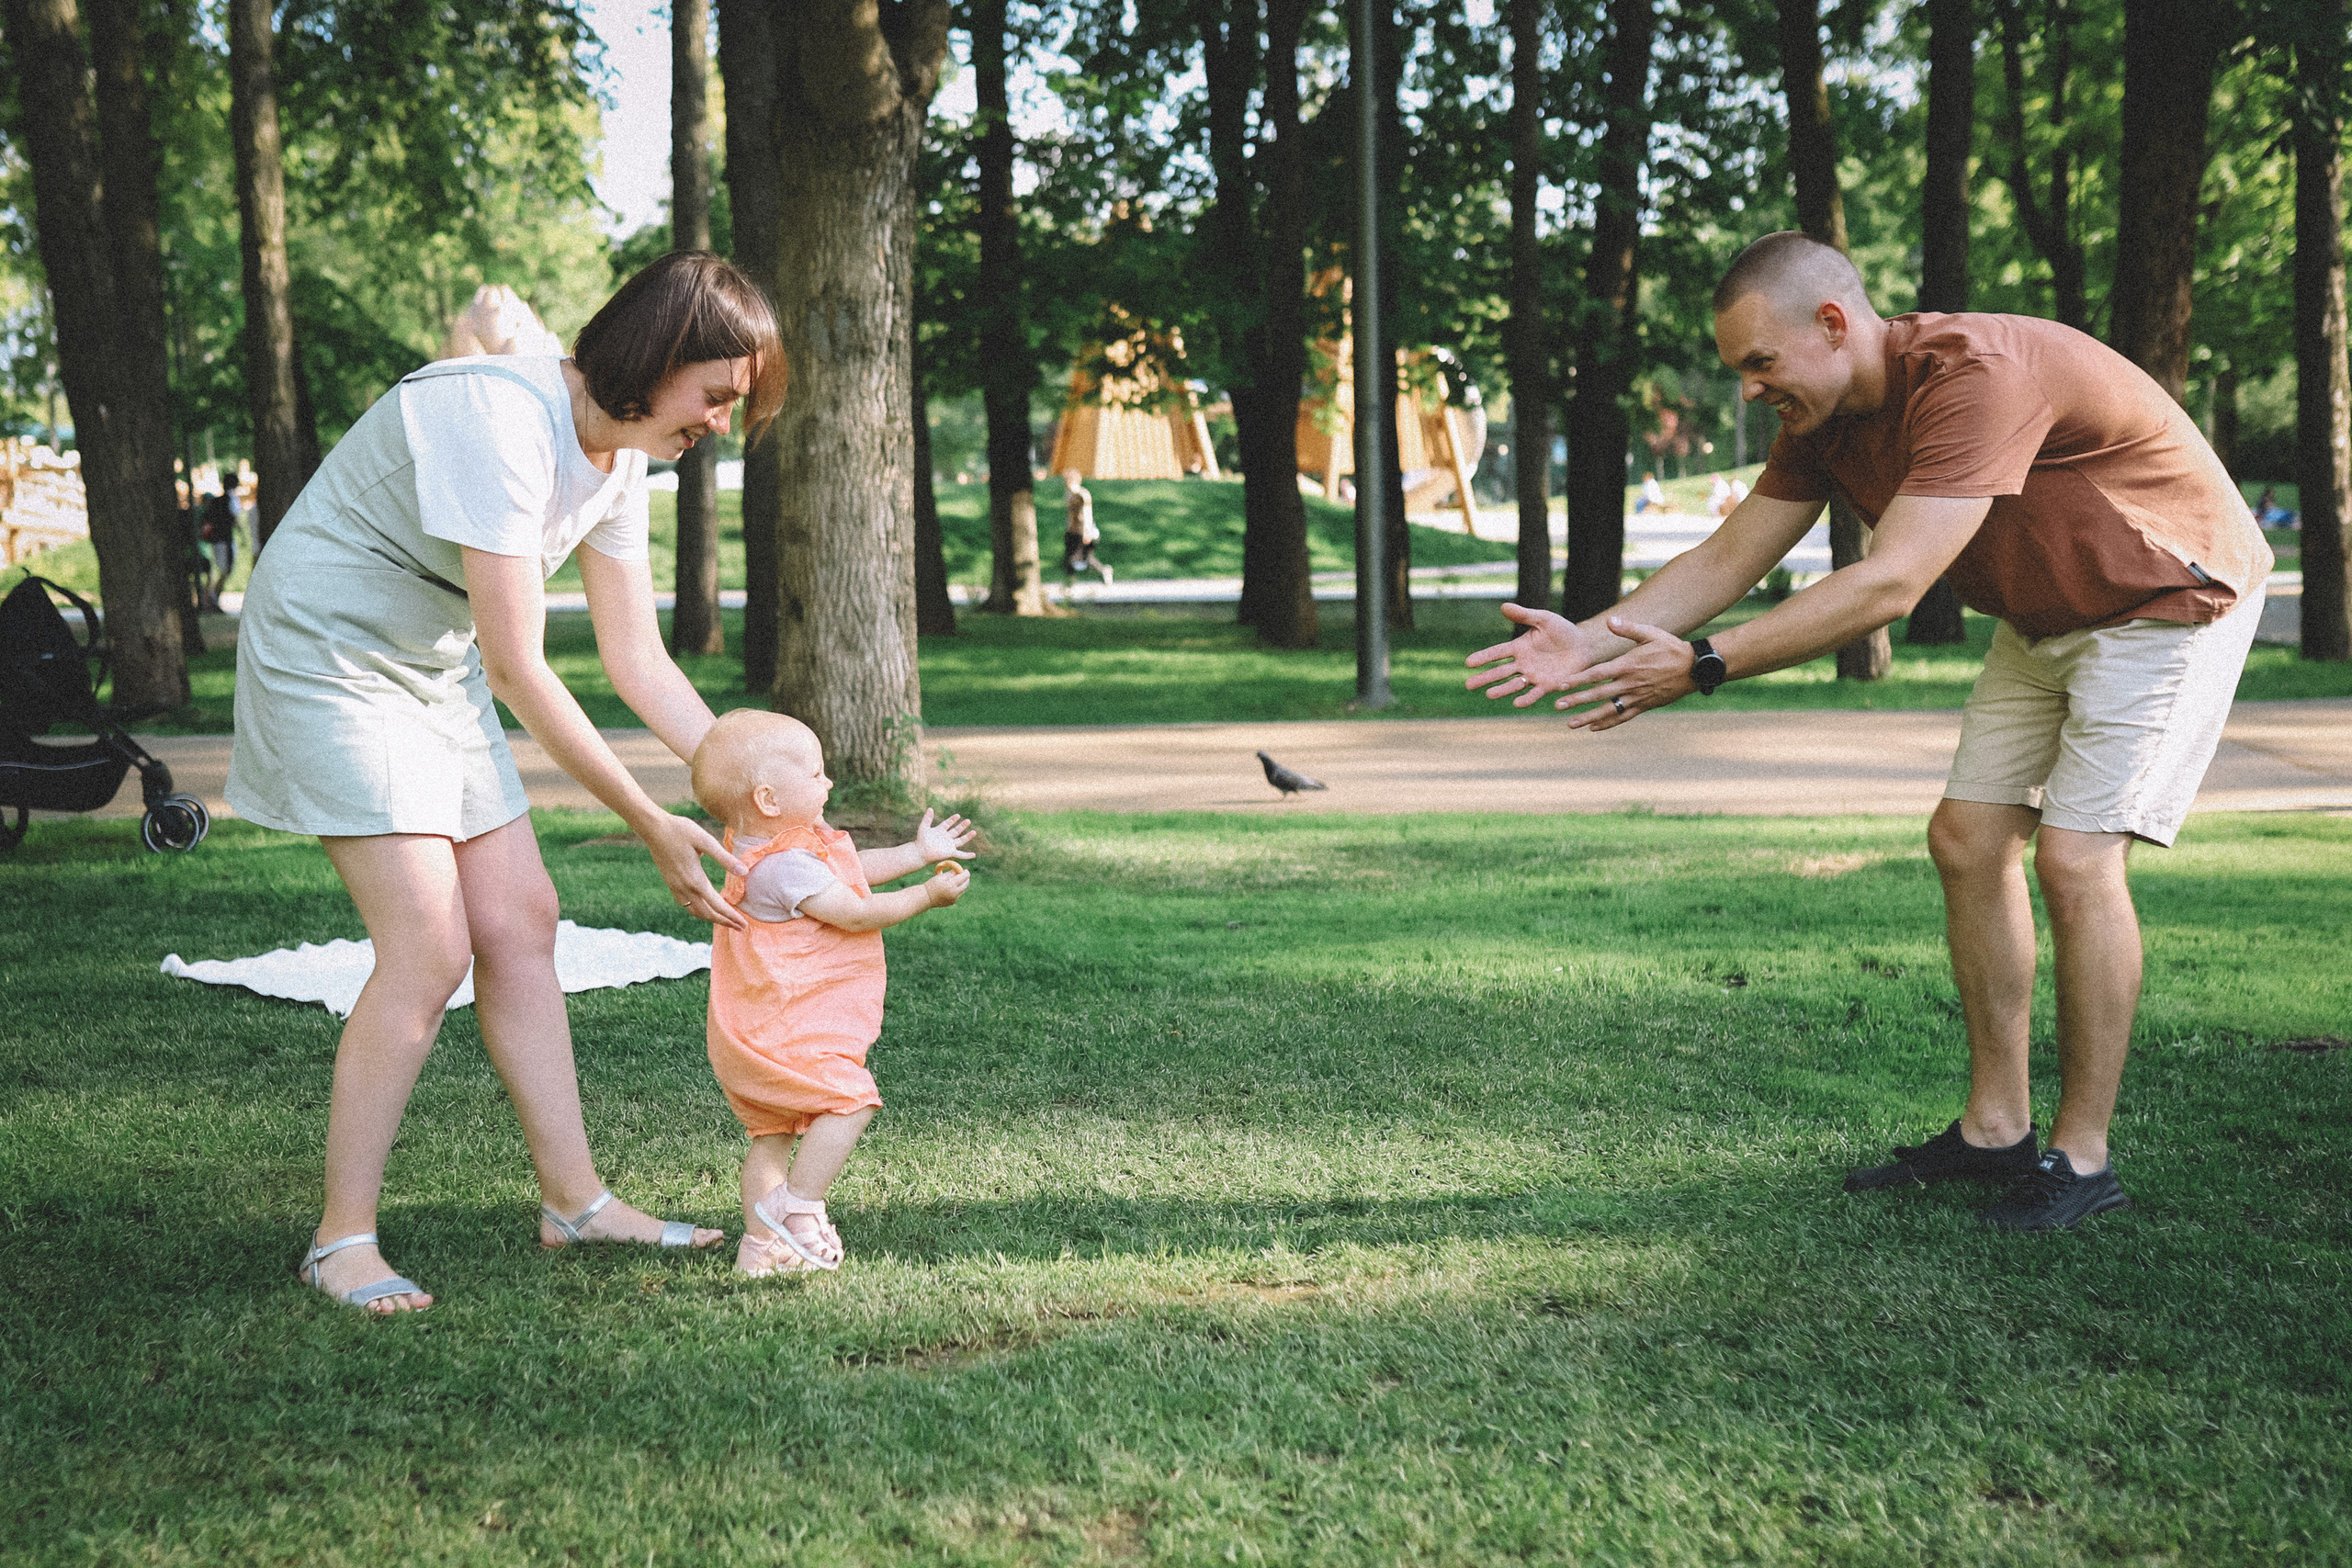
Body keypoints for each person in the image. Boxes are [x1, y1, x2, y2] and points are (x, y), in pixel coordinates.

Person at [1466, 231, 2271, 1232]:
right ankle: (1993, 1132)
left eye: (1760, 364)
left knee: (2074, 859)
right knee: (1967, 839)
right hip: (2049, 613)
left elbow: (1891, 582)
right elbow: (1730, 556)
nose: (1751, 390)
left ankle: (2082, 1158)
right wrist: (1583, 644)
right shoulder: (1824, 419)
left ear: (1834, 324)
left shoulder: (1973, 378)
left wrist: (1709, 665)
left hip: (2167, 597)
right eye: (1739, 372)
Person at [229, 252, 788, 1311]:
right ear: (655, 359)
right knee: (430, 946)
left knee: (525, 918)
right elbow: (520, 667)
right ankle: (339, 1238)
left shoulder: (619, 462)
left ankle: (575, 1205)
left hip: (426, 660)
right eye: (713, 395)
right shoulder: (498, 414)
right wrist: (645, 819)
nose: (718, 422)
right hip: (330, 652)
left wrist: (758, 791)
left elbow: (638, 661)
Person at [688, 710, 974, 1276]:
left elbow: (848, 869)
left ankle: (760, 1250)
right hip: (790, 1029)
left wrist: (914, 853)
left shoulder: (776, 848)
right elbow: (855, 910)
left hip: (758, 1030)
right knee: (851, 1100)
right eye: (816, 774)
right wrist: (927, 894)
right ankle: (799, 1209)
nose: (829, 783)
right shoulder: (782, 868)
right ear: (769, 799)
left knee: (771, 1135)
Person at [1062, 468, 1113, 583]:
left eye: (1068, 481)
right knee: (1077, 558)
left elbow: (1087, 515)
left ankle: (1103, 572)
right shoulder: (1070, 495)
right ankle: (1070, 583)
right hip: (1073, 531)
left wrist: (1086, 531)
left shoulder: (1082, 495)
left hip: (1084, 531)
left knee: (1080, 558)